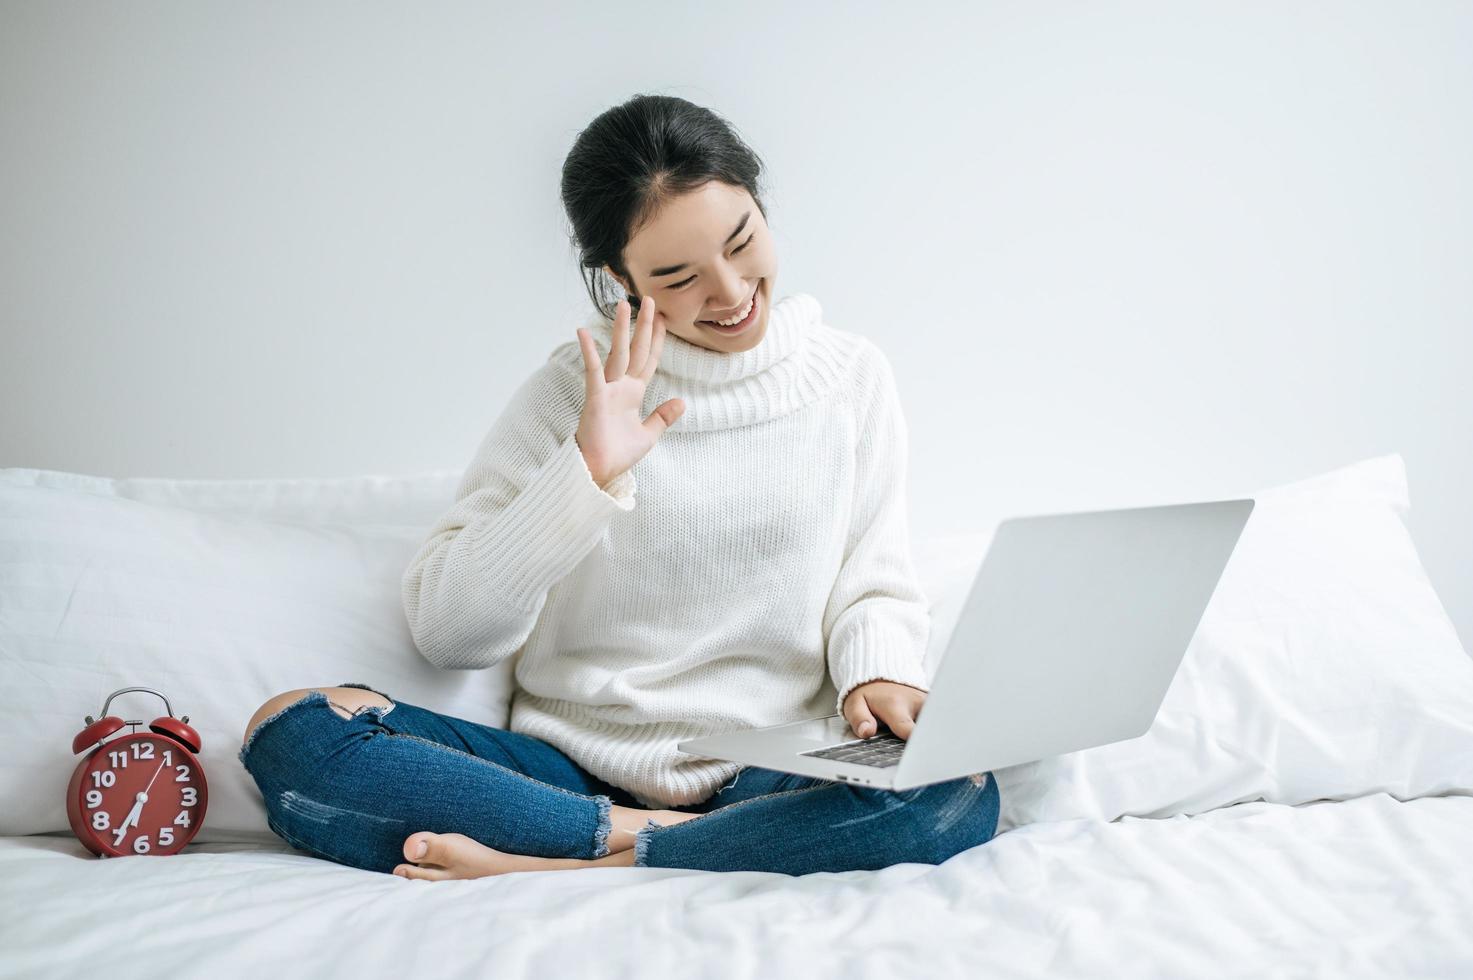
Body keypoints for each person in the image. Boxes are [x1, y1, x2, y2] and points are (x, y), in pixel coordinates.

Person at [237, 93, 999, 879]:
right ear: (618, 280)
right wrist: (586, 472)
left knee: (956, 792)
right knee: (294, 730)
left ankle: (566, 863)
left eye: (742, 243)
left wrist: (880, 673)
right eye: (678, 275)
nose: (732, 292)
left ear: (760, 205)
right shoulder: (574, 390)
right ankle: (637, 837)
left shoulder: (849, 377)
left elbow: (873, 579)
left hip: (772, 772)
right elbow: (449, 632)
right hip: (561, 772)